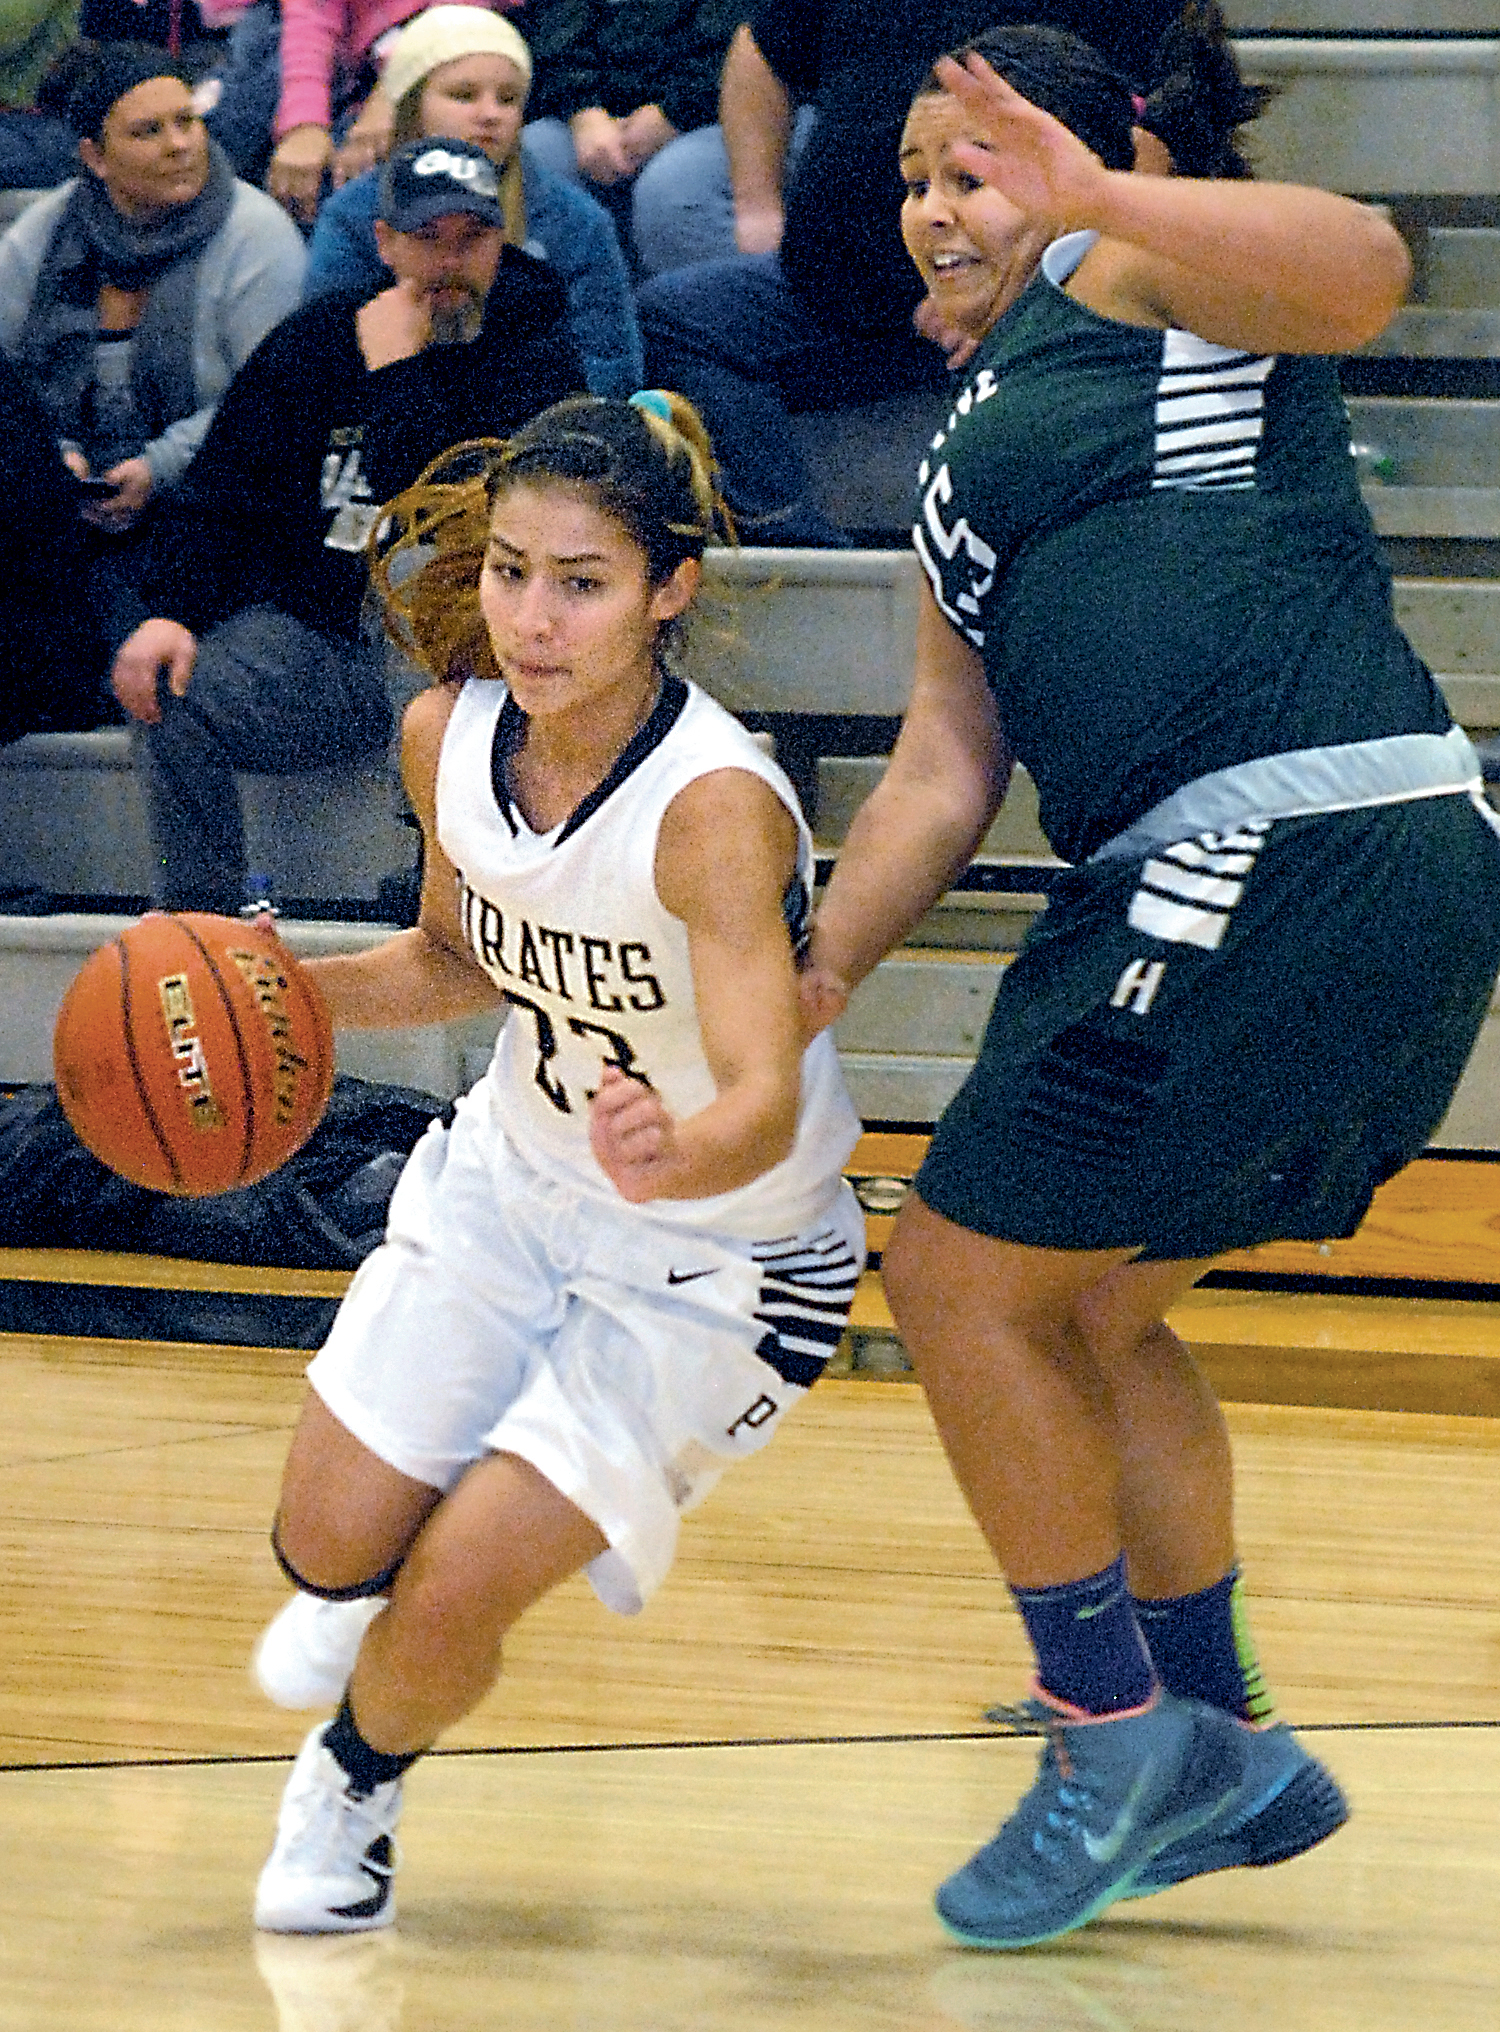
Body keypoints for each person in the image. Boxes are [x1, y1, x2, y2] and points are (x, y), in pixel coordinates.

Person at [805, 15, 1500, 1951]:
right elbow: (948, 764)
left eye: (974, 164)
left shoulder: (1143, 268)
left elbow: (1366, 265)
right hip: (1304, 863)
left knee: (951, 1272)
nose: (942, 207)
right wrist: (814, 976)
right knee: (1085, 1312)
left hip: (1273, 831)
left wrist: (1104, 193)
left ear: (1089, 154)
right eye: (917, 182)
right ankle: (1219, 1722)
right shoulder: (965, 442)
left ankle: (1108, 1728)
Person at [246, 389, 866, 1933]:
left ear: (669, 591)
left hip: (722, 1258)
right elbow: (459, 964)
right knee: (326, 1539)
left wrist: (685, 1142)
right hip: (516, 1185)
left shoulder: (714, 810)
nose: (532, 616)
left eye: (580, 581)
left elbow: (766, 1093)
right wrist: (273, 993)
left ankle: (353, 1783)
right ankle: (364, 1587)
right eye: (513, 570)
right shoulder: (444, 732)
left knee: (454, 1582)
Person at [108, 134, 585, 915]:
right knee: (174, 686)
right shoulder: (323, 337)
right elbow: (221, 488)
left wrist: (398, 374)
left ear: (502, 242)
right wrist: (168, 611)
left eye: (473, 239)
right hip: (320, 649)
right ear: (385, 243)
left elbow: (462, 507)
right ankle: (200, 930)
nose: (450, 262)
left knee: (417, 570)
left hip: (472, 655)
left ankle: (452, 886)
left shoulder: (535, 348)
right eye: (428, 240)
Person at [636, 0, 1185, 544]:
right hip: (828, 291)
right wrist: (759, 207)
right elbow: (763, 50)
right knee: (673, 316)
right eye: (915, 185)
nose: (930, 208)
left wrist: (1039, 285)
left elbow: (1152, 118)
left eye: (964, 182)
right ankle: (801, 554)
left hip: (1020, 303)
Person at [0, 39, 304, 638]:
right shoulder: (43, 232)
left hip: (203, 502)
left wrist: (157, 468)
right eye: (148, 131)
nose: (180, 144)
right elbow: (8, 382)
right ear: (95, 156)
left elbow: (270, 400)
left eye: (187, 120)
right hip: (61, 503)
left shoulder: (256, 233)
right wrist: (53, 453)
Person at [303, 6, 642, 398]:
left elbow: (610, 370)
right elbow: (322, 363)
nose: (489, 114)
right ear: (411, 106)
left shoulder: (578, 222)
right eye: (463, 95)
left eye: (508, 99)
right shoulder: (351, 217)